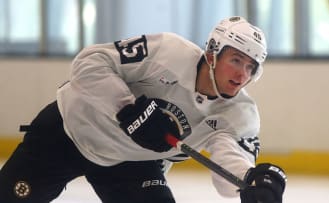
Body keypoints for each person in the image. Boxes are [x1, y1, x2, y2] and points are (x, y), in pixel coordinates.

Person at [0, 16, 286, 203]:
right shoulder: (168, 52)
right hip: (68, 131)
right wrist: (127, 108)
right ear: (212, 53)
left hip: (132, 163)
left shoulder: (239, 114)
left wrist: (249, 180)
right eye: (236, 60)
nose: (242, 74)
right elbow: (89, 63)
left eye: (251, 67)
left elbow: (227, 172)